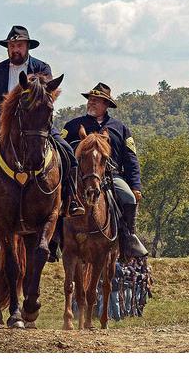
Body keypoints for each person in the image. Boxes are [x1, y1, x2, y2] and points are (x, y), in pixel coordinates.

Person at [0, 25, 84, 220]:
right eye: (12, 45)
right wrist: (2, 121)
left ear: (27, 47)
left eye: (19, 45)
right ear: (7, 48)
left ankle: (72, 198)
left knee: (68, 153)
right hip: (1, 125)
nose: (15, 49)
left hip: (38, 125)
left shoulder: (42, 68)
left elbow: (48, 98)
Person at [56, 82, 148, 259]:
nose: (91, 103)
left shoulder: (120, 129)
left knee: (128, 198)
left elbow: (131, 159)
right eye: (90, 99)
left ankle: (128, 239)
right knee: (58, 199)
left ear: (106, 105)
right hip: (78, 177)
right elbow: (61, 152)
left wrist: (136, 186)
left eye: (96, 100)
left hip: (111, 176)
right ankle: (53, 239)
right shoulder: (72, 126)